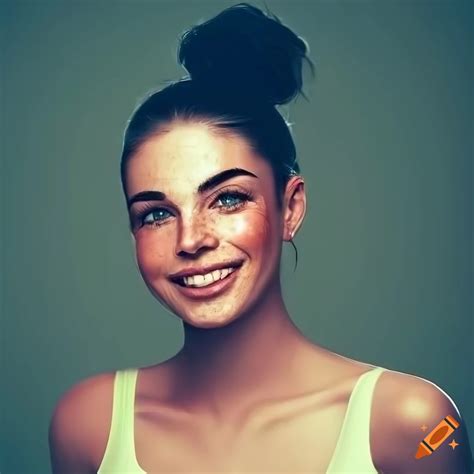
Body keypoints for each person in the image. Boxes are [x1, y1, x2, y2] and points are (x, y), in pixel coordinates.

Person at [48, 3, 472, 473]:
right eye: (156, 214)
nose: (191, 239)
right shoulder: (87, 425)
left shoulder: (417, 427)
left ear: (290, 207)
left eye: (227, 199)